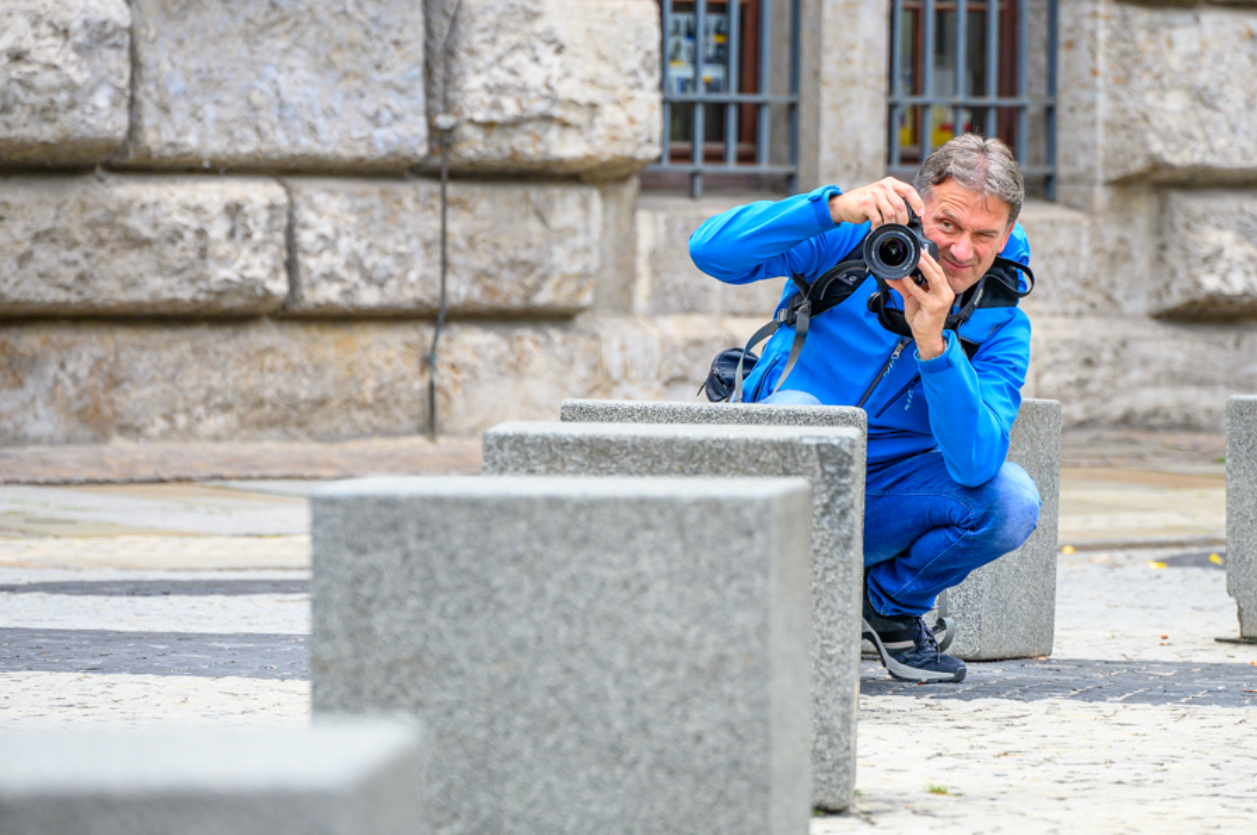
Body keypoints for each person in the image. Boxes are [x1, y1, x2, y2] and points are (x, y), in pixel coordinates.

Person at [689, 134, 1042, 683]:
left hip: (886, 499)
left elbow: (975, 464)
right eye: (947, 225)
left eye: (984, 236)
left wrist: (936, 347)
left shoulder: (1002, 325)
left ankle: (887, 608)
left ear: (1006, 236)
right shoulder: (851, 240)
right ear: (918, 207)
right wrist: (830, 208)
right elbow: (709, 251)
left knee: (1012, 499)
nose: (961, 251)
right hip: (776, 486)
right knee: (800, 411)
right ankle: (763, 599)